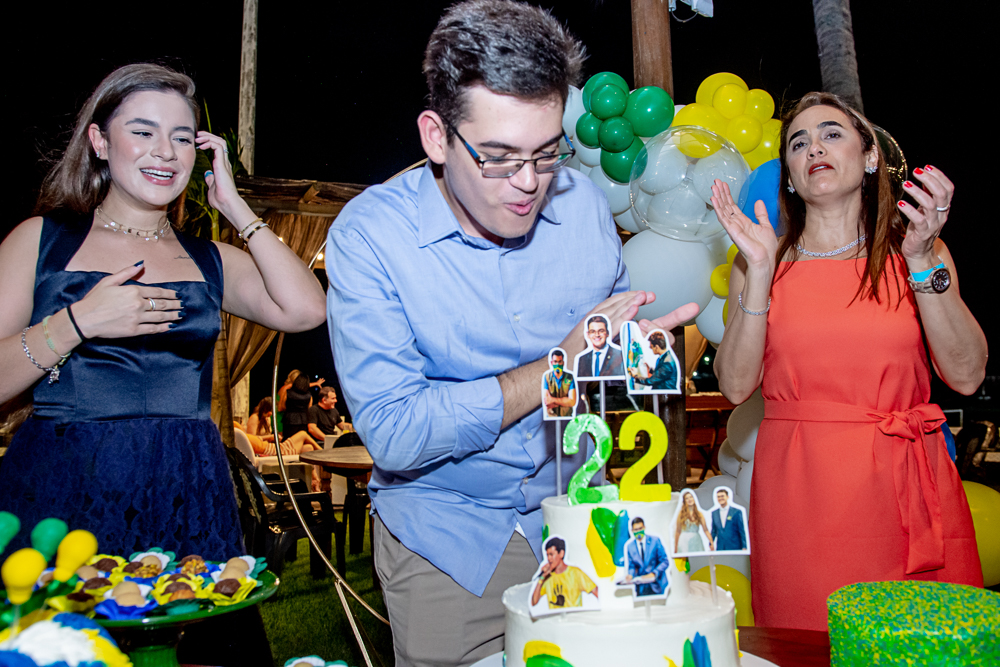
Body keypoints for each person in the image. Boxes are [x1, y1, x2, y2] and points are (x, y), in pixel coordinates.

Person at [325, 2, 698, 664]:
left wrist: (636, 355)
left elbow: (604, 363)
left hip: (582, 524)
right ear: (437, 136)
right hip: (448, 542)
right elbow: (397, 431)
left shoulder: (581, 207)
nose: (529, 183)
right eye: (498, 157)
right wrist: (562, 359)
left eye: (546, 153)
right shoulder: (370, 235)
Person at [0, 63, 325, 664]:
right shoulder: (41, 242)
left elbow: (305, 309)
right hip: (65, 487)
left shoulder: (209, 259)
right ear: (100, 141)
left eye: (182, 136)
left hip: (186, 490)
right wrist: (79, 321)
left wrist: (236, 208)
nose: (166, 152)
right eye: (144, 131)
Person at [712, 92, 986, 631]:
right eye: (799, 141)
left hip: (908, 486)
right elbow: (735, 386)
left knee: (919, 644)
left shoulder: (916, 250)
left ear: (869, 158)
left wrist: (925, 260)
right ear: (789, 174)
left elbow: (967, 373)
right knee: (810, 640)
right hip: (802, 497)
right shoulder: (760, 262)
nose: (814, 146)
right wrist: (762, 274)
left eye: (832, 133)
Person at [530, 537, 598, 609]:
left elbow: (596, 592)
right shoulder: (547, 577)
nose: (549, 558)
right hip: (555, 619)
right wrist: (542, 577)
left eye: (551, 554)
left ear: (561, 553)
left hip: (573, 618)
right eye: (547, 555)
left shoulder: (575, 573)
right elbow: (534, 602)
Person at [246, 397, 319, 456]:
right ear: (264, 409)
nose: (271, 413)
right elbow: (252, 440)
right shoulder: (254, 418)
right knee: (303, 434)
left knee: (308, 448)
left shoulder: (267, 419)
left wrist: (274, 438)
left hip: (272, 446)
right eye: (269, 411)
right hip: (269, 450)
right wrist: (269, 437)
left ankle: (313, 474)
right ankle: (323, 451)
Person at [623, 517, 669, 597]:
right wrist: (630, 575)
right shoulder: (630, 547)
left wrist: (654, 573)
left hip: (657, 584)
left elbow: (665, 561)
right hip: (641, 588)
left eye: (640, 528)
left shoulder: (655, 541)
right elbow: (632, 566)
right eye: (636, 530)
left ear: (644, 527)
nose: (638, 531)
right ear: (632, 531)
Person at [574, 314, 624, 379]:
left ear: (607, 333)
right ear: (588, 334)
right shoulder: (582, 359)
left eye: (601, 331)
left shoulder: (619, 355)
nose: (597, 335)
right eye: (592, 331)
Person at [673, 490, 713, 554]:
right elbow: (678, 531)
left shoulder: (699, 514)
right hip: (684, 541)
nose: (689, 499)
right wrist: (675, 546)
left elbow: (705, 530)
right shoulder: (681, 514)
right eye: (687, 498)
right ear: (684, 501)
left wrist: (711, 542)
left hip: (696, 540)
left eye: (691, 497)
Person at [542, 349, 577, 418]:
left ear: (563, 363)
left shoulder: (569, 377)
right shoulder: (547, 377)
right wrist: (565, 402)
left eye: (559, 361)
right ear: (551, 363)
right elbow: (547, 402)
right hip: (552, 417)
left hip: (567, 417)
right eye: (555, 361)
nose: (557, 364)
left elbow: (572, 402)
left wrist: (553, 400)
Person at [281, 372, 313, 438]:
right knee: (300, 440)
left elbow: (282, 406)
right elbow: (309, 408)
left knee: (288, 441)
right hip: (304, 420)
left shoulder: (288, 392)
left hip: (289, 419)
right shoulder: (309, 396)